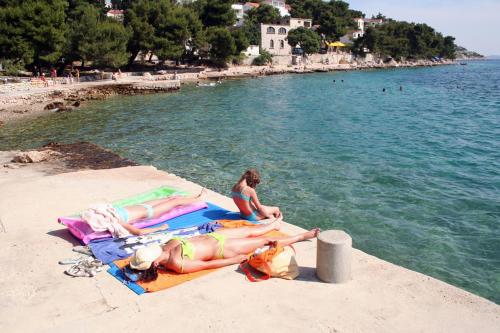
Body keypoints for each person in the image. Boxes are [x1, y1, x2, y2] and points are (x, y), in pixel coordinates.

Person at [125, 219, 320, 279]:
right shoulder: (177, 263)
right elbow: (205, 264)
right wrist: (234, 260)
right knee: (264, 241)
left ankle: (273, 224)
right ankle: (302, 236)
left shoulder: (165, 248)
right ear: (156, 262)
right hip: (223, 249)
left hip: (215, 236)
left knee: (248, 230)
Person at [81, 189, 206, 237]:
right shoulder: (116, 221)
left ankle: (195, 196)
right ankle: (199, 199)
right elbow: (139, 232)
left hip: (143, 205)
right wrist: (161, 227)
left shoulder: (107, 212)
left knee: (170, 198)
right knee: (176, 201)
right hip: (150, 212)